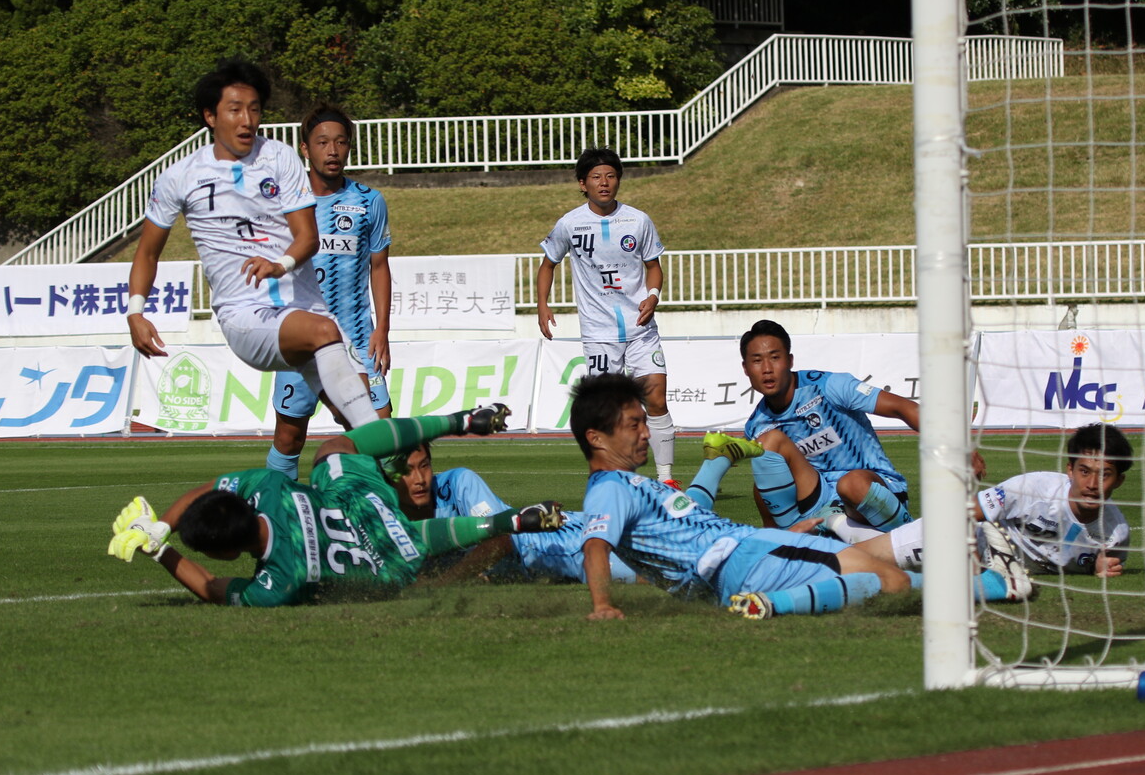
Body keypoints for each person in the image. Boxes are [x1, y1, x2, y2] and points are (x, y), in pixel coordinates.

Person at [125, 59, 377, 433]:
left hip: (309, 308)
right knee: (325, 338)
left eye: (255, 109)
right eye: (235, 110)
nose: (247, 120)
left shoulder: (279, 157)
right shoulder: (179, 177)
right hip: (246, 314)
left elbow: (308, 237)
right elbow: (147, 252)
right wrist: (136, 313)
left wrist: (280, 264)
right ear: (210, 116)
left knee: (363, 419)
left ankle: (367, 464)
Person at [105, 405, 565, 607]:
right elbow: (210, 488)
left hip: (381, 564)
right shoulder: (269, 486)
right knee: (336, 447)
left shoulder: (277, 583)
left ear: (227, 552)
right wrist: (162, 522)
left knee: (408, 543)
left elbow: (209, 588)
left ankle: (506, 522)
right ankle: (459, 421)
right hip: (354, 501)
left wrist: (160, 548)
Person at [570, 373, 910, 622]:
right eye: (634, 425)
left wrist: (784, 535)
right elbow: (595, 545)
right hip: (745, 557)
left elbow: (691, 522)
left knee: (895, 577)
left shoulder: (630, 485)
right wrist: (602, 605)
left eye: (645, 423)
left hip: (748, 555)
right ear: (596, 438)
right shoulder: (609, 487)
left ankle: (769, 599)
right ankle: (772, 604)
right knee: (893, 580)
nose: (646, 433)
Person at [707, 319, 983, 536]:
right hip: (819, 501)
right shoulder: (758, 425)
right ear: (746, 368)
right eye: (757, 361)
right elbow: (767, 492)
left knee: (851, 484)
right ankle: (783, 546)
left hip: (869, 489)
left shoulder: (829, 386)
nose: (767, 368)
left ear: (790, 361)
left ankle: (910, 536)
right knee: (767, 452)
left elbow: (904, 408)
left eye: (775, 358)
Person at [854, 423, 1133, 603]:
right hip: (957, 539)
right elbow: (962, 514)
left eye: (1104, 475)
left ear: (1119, 480)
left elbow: (1093, 564)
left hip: (998, 570)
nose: (1092, 484)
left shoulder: (1115, 535)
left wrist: (1098, 568)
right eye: (1084, 471)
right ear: (1070, 470)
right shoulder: (1033, 489)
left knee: (888, 582)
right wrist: (972, 565)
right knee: (849, 561)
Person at [536, 147, 680, 488]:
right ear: (582, 183)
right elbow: (548, 264)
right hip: (599, 333)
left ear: (618, 180)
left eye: (611, 176)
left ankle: (666, 479)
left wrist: (653, 296)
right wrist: (542, 305)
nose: (604, 183)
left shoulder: (638, 220)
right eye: (596, 177)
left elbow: (653, 266)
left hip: (640, 328)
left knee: (656, 398)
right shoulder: (569, 224)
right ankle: (617, 478)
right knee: (610, 410)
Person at [266, 103, 393, 479]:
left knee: (378, 433)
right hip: (301, 338)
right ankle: (278, 506)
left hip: (356, 337)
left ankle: (380, 510)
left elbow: (379, 267)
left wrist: (382, 329)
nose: (333, 150)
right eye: (322, 142)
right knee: (289, 437)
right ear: (305, 148)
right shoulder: (284, 204)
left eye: (340, 142)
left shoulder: (369, 201)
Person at [380, 441, 640, 585]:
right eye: (407, 471)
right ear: (389, 477)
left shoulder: (458, 483)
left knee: (649, 573)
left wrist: (446, 582)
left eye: (424, 466)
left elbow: (501, 540)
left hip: (562, 543)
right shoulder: (385, 517)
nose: (419, 479)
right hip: (540, 568)